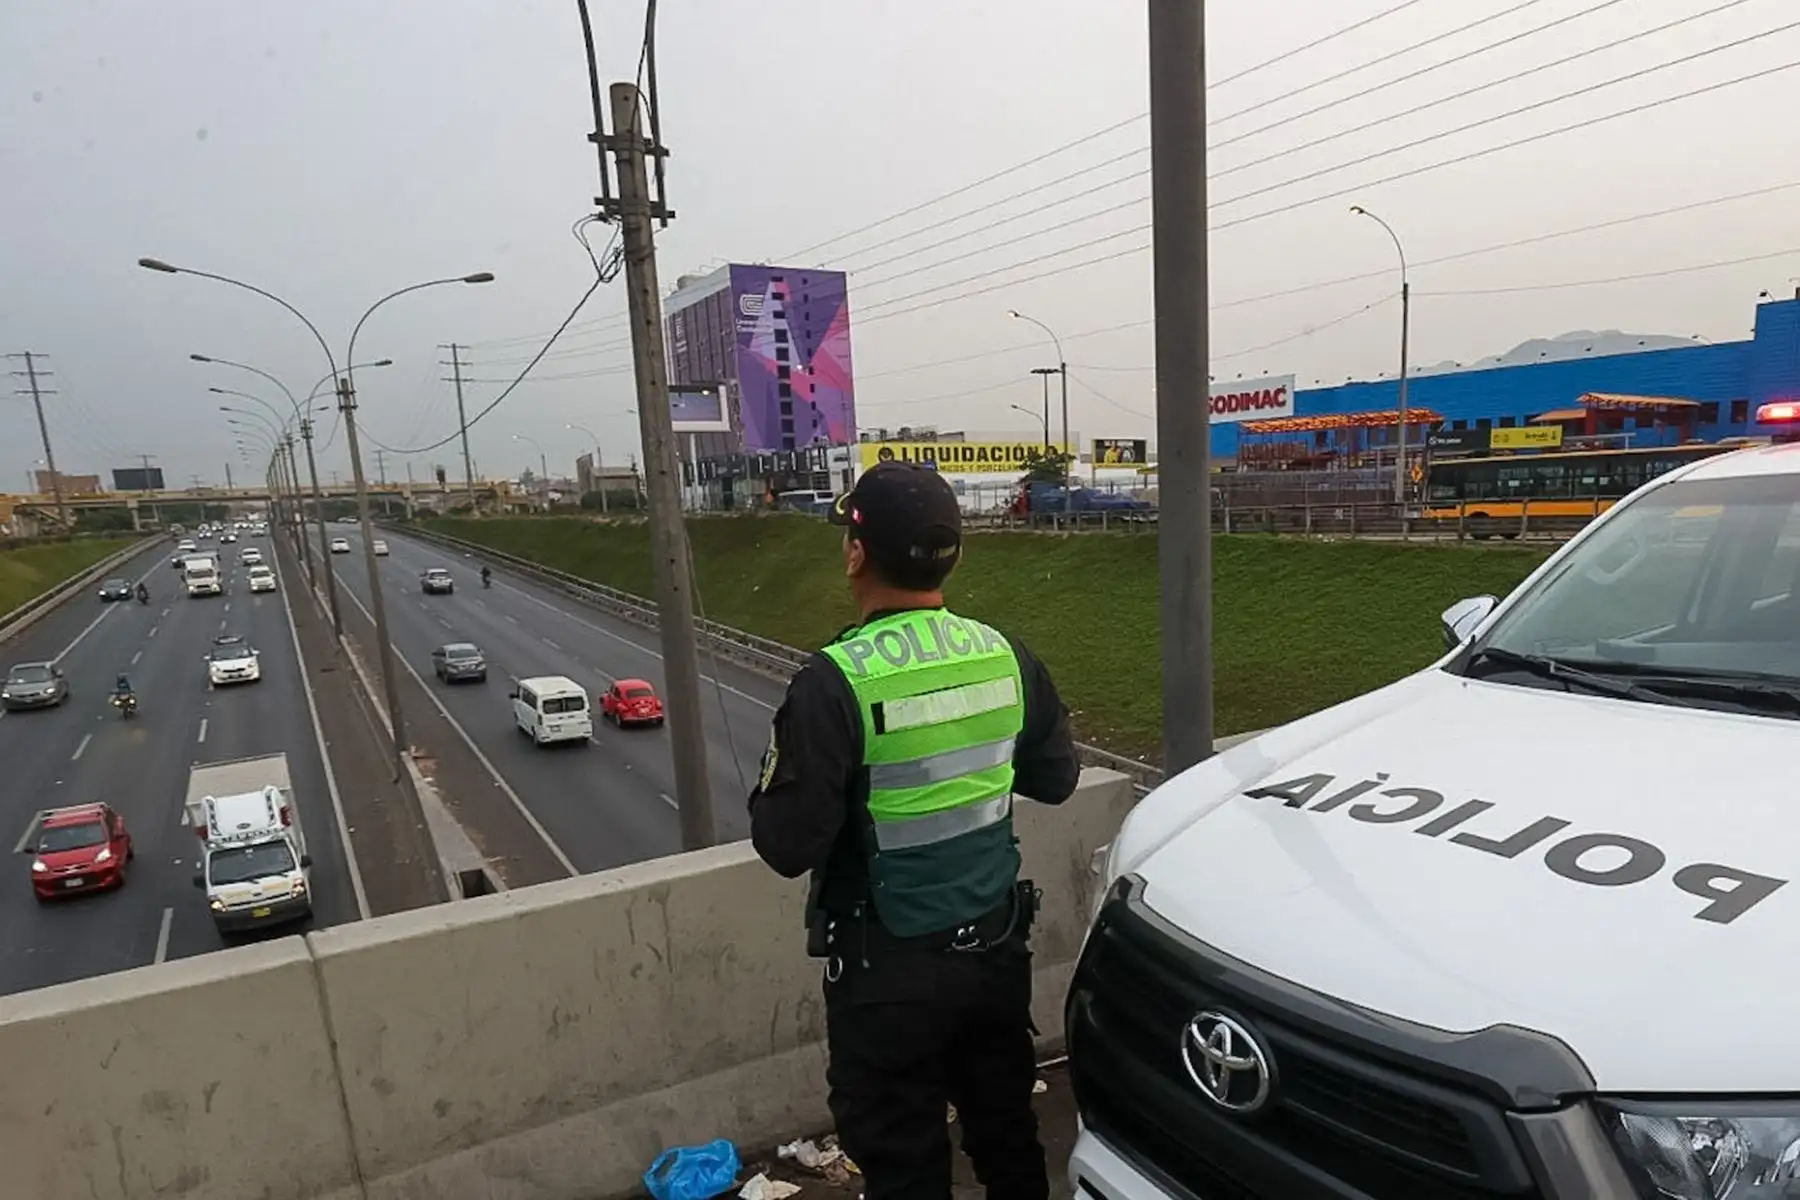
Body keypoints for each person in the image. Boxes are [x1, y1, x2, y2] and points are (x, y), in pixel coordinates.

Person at [749, 462, 1080, 1200]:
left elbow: (785, 845)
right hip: (995, 954)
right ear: (952, 556)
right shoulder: (1005, 656)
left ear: (856, 554)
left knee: (904, 1164)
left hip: (886, 977)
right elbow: (1057, 780)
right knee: (1007, 1137)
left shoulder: (835, 680)